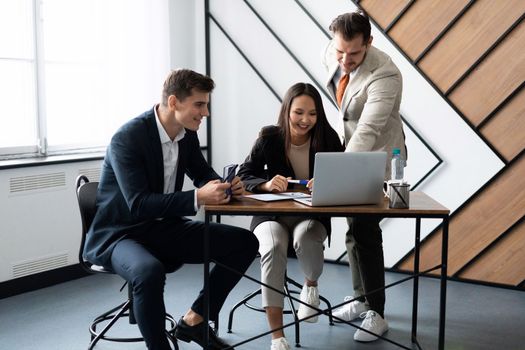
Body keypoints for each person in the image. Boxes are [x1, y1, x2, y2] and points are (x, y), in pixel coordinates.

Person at [83, 69, 259, 350]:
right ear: (175, 102)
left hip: (164, 228)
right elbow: (139, 204)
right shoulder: (127, 138)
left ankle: (195, 320)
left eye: (206, 105)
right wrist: (198, 197)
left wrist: (226, 187)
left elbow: (202, 175)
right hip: (121, 234)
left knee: (244, 242)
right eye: (199, 105)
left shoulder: (185, 135)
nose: (206, 112)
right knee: (149, 272)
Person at [237, 83, 344, 350]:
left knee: (306, 238)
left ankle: (310, 286)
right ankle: (277, 337)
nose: (305, 120)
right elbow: (243, 174)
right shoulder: (269, 137)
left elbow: (345, 178)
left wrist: (327, 182)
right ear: (286, 111)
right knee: (272, 248)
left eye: (312, 113)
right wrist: (265, 184)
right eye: (298, 112)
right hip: (271, 216)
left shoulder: (329, 138)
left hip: (311, 214)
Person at [321, 11, 407, 342]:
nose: (344, 60)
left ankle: (377, 313)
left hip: (378, 156)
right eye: (340, 51)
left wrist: (339, 174)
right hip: (350, 150)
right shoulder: (333, 51)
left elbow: (368, 130)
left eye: (354, 54)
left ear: (369, 43)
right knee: (353, 229)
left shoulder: (386, 74)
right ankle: (361, 299)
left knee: (366, 230)